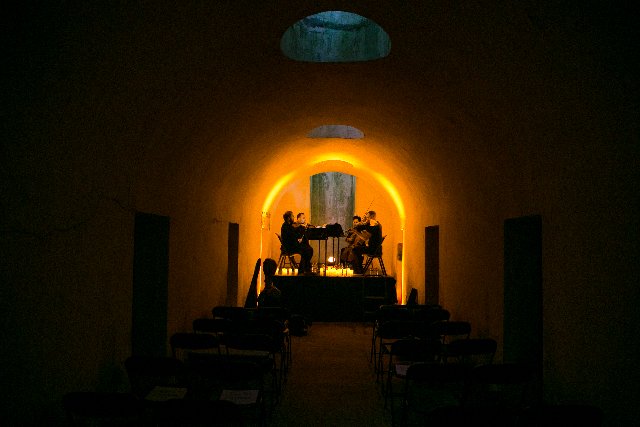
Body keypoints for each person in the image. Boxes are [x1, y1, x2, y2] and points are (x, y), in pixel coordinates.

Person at [281, 210, 314, 274]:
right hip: (290, 247)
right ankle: (303, 269)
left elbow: (293, 235)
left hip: (292, 245)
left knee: (308, 249)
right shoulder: (286, 226)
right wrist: (298, 239)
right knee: (307, 250)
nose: (294, 217)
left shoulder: (288, 225)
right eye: (292, 216)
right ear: (289, 218)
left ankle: (304, 269)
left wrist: (298, 238)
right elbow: (291, 237)